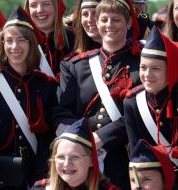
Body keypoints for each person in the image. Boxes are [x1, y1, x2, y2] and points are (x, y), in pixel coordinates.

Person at [53, 0, 142, 188]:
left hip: (124, 159)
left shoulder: (142, 62)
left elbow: (145, 110)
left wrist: (102, 137)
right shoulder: (76, 66)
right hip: (82, 162)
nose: (109, 25)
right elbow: (61, 112)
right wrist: (81, 139)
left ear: (128, 23)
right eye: (104, 20)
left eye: (116, 20)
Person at [0, 7, 58, 189]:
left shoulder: (45, 85)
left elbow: (48, 135)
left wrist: (42, 171)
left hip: (35, 171)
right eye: (9, 41)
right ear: (2, 44)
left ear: (31, 44)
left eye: (21, 40)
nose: (14, 47)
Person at [124, 26, 178, 173]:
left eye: (156, 69)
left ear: (171, 70)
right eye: (143, 67)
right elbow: (137, 152)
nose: (147, 74)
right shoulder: (132, 102)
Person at [31, 118, 119, 190]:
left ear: (91, 160)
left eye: (74, 157)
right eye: (61, 157)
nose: (66, 164)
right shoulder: (40, 188)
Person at [24, 0, 75, 77]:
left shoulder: (76, 38)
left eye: (46, 4)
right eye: (33, 5)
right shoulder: (21, 42)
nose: (39, 10)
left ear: (56, 6)